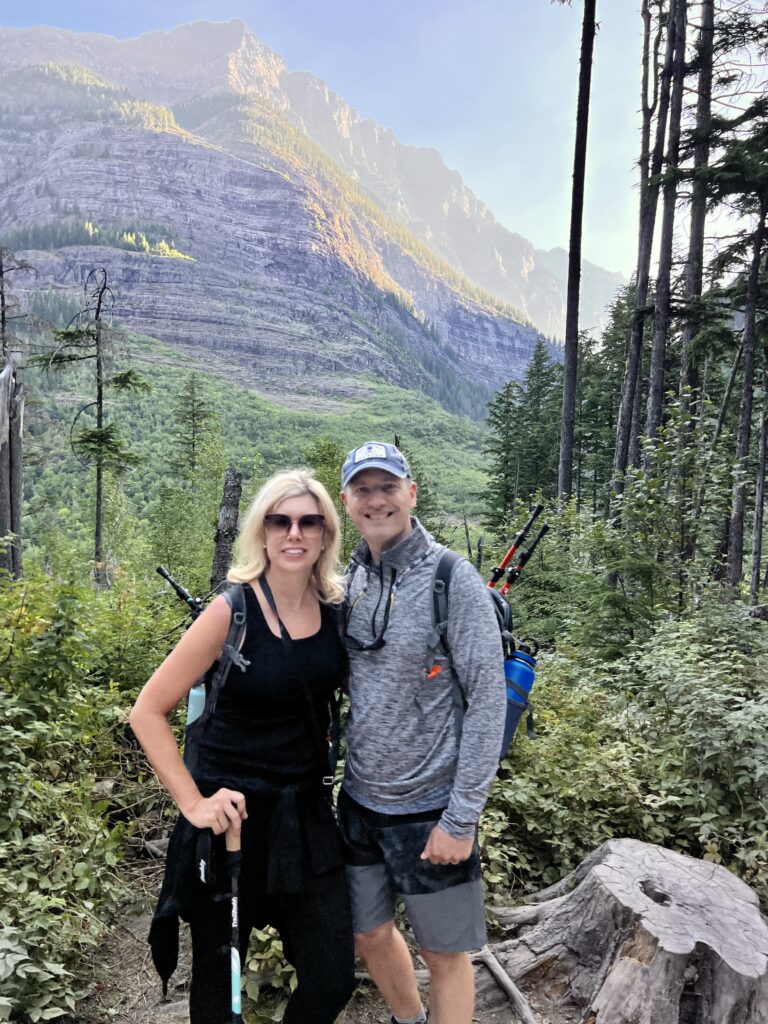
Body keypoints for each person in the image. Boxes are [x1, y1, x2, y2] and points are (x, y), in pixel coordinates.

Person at [130, 470, 356, 1024]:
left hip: (304, 817)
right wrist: (193, 804)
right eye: (280, 521)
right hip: (229, 819)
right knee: (218, 986)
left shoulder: (336, 615)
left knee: (331, 976)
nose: (294, 533)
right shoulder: (231, 612)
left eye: (309, 521)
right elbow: (148, 711)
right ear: (262, 533)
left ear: (326, 535)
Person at [337, 441, 506, 1024]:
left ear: (412, 493)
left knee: (446, 954)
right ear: (347, 501)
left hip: (432, 808)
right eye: (364, 489)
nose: (376, 499)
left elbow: (487, 702)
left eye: (389, 487)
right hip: (358, 803)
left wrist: (461, 819)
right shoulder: (348, 580)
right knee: (368, 934)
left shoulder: (451, 578)